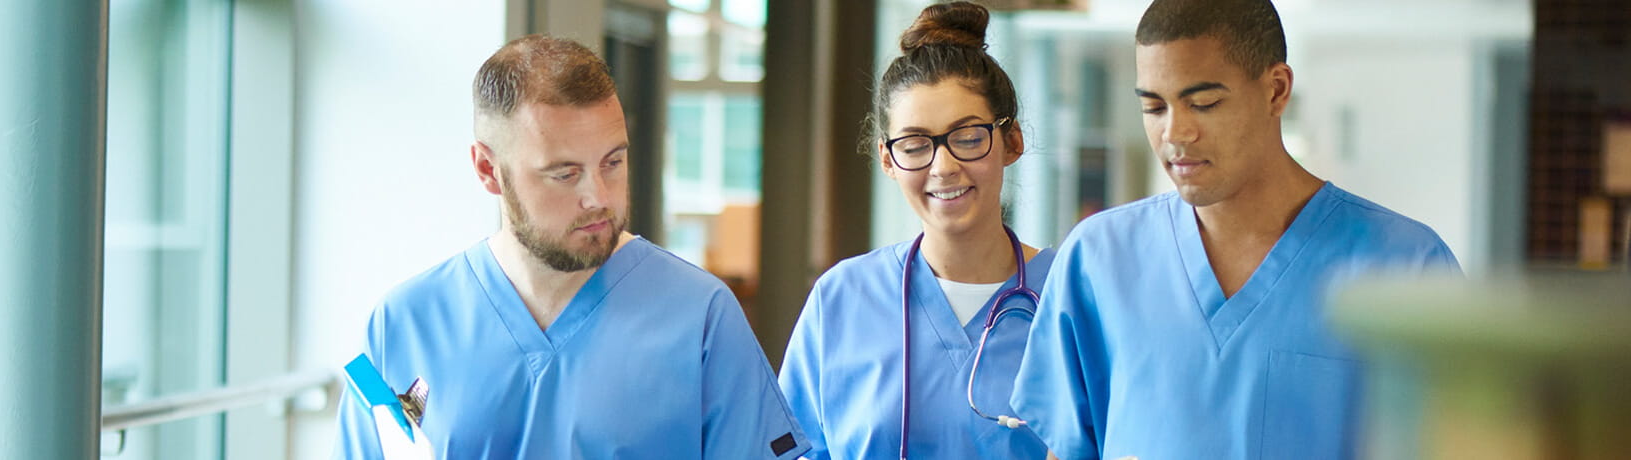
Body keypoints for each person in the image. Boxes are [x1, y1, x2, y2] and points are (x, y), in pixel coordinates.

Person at [1008, 1, 1461, 458]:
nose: (1175, 133)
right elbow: (1065, 448)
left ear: (1276, 90)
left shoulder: (1407, 266)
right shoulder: (1098, 257)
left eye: (1203, 103)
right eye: (1154, 107)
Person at [332, 34, 809, 459]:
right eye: (565, 173)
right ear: (487, 169)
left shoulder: (699, 317)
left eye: (613, 162)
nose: (598, 197)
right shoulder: (405, 321)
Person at [777, 2, 1051, 458]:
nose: (943, 167)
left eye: (967, 137)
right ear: (888, 159)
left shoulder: (1069, 298)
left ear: (1012, 141)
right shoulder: (843, 299)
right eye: (915, 144)